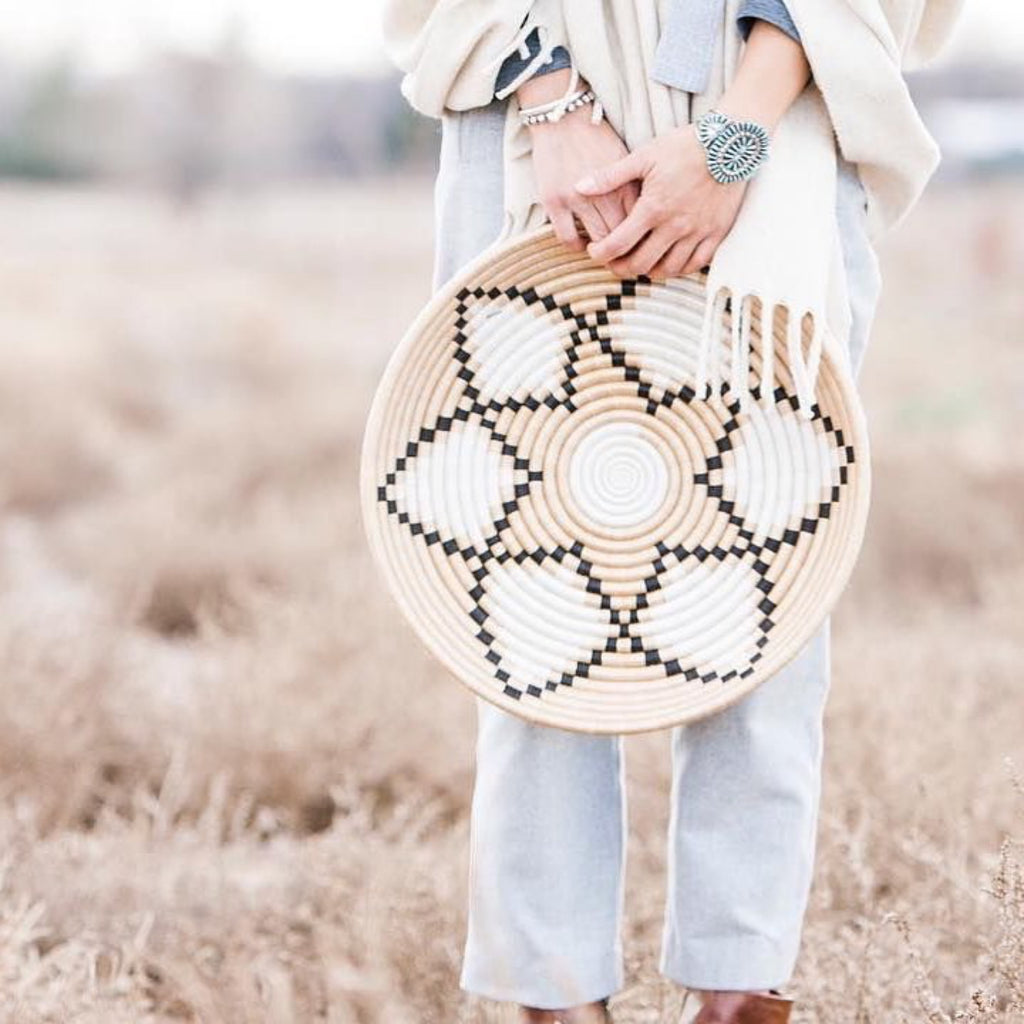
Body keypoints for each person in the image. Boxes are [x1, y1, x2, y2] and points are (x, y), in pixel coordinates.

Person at [381, 1, 961, 1020]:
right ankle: (552, 997)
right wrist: (547, 98)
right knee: (530, 577)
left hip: (780, 103)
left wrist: (734, 133)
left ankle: (740, 993)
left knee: (766, 566)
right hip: (533, 119)